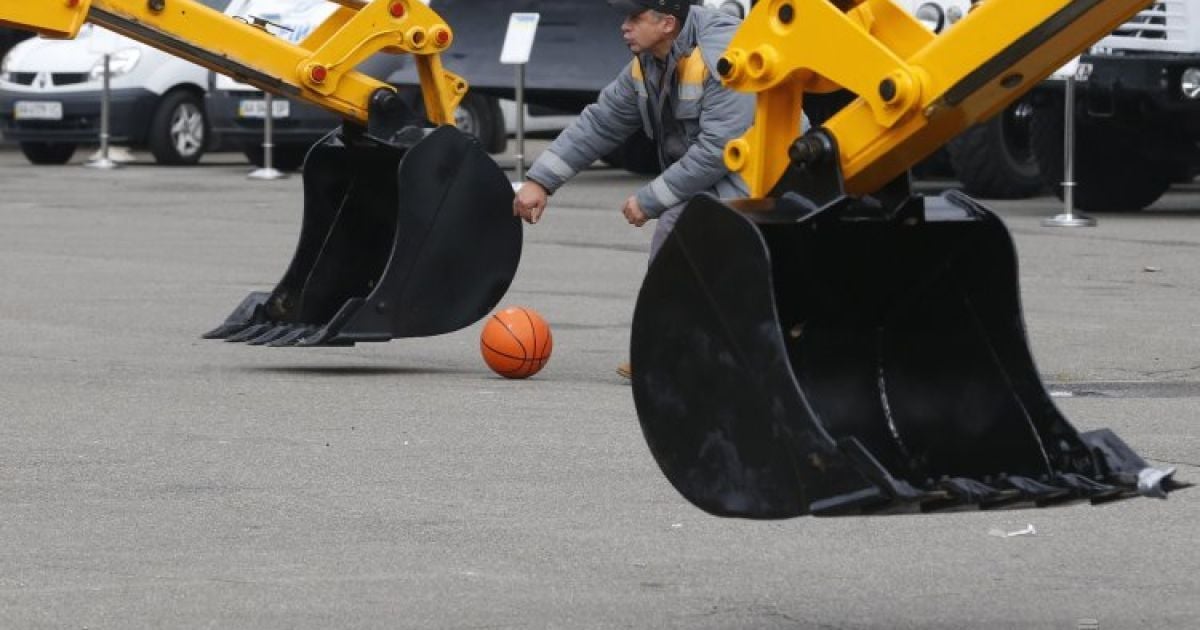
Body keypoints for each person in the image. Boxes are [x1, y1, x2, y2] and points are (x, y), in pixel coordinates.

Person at [512, 0, 755, 379]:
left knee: (680, 230)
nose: (623, 26)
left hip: (764, 176)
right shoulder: (650, 63)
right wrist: (541, 181)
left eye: (634, 18)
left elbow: (720, 150)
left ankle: (665, 351)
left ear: (667, 23)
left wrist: (650, 199)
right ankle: (680, 349)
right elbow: (601, 122)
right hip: (722, 176)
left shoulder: (721, 55)